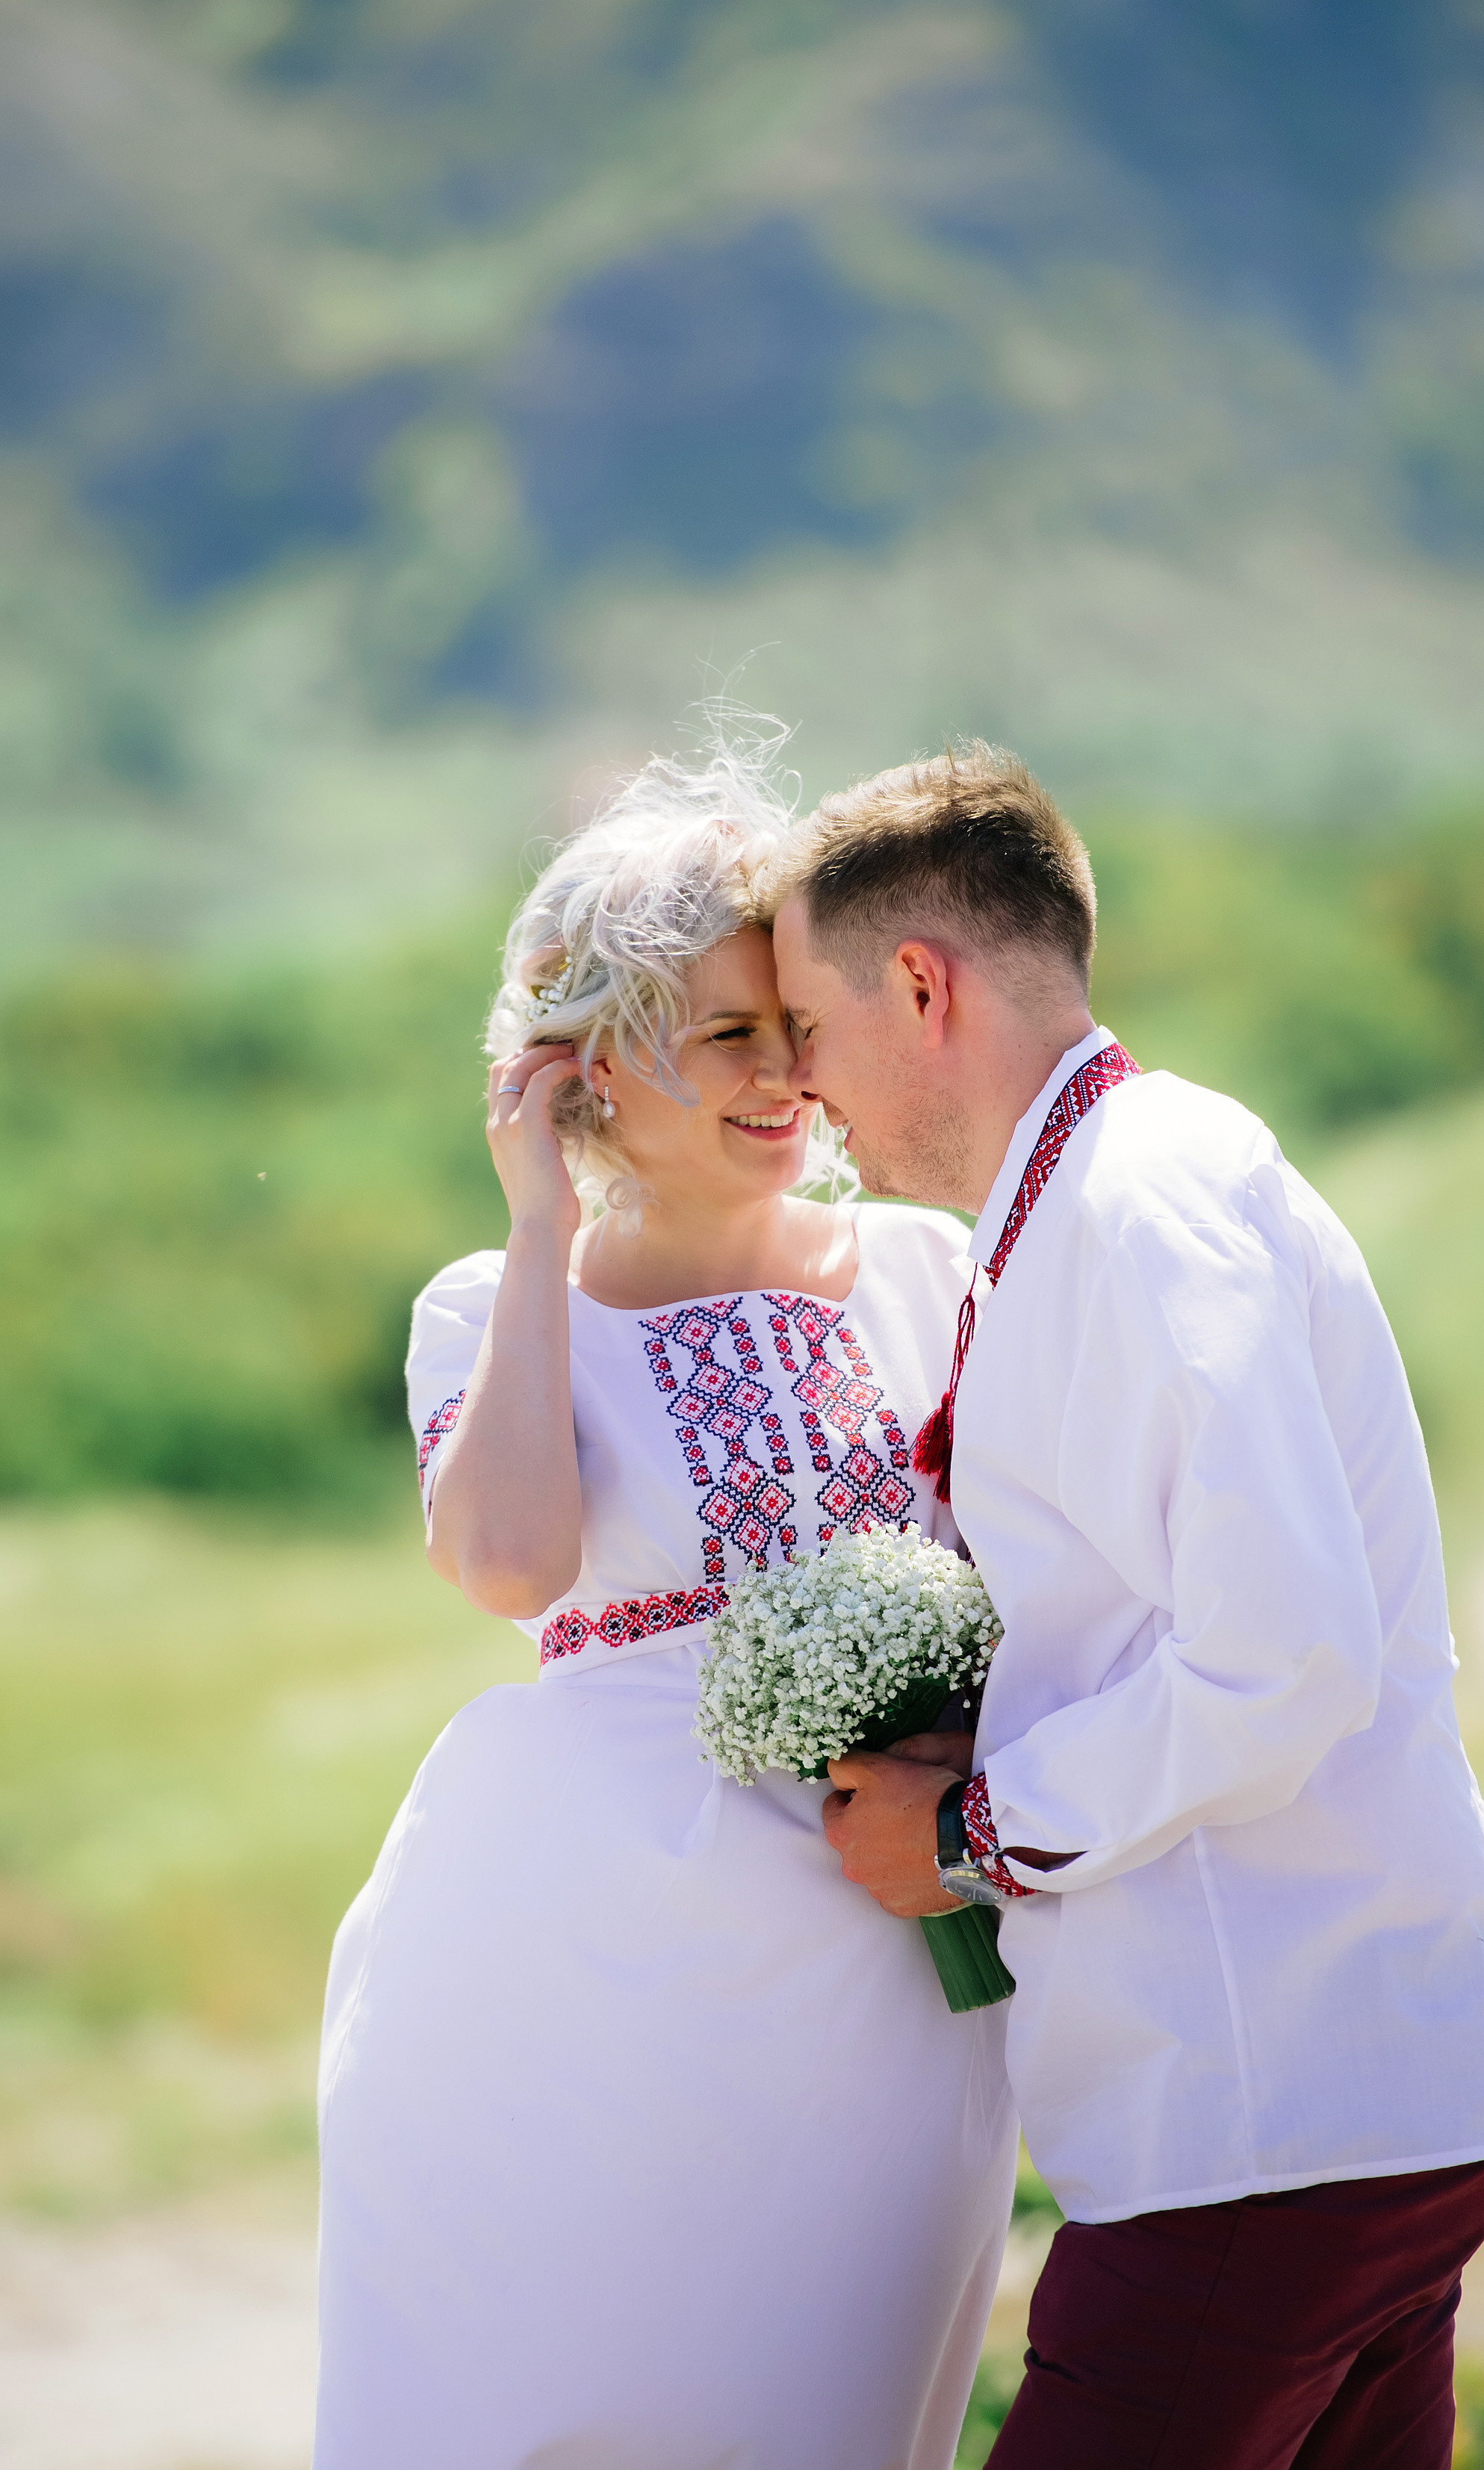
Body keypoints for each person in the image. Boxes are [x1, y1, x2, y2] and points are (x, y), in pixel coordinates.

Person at [770, 743, 1484, 2470]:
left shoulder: (1140, 1205)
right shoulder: (1099, 1192)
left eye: (812, 1030)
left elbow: (1284, 1653)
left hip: (1272, 2110)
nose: (806, 1090)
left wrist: (974, 1829)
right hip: (1341, 2082)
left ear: (920, 984)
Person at [312, 733, 1017, 2470]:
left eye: (798, 1024)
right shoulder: (487, 1306)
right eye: (725, 1031)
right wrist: (541, 1222)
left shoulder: (935, 1274)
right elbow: (509, 1568)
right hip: (575, 1966)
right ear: (591, 1062)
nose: (786, 1072)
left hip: (874, 1966)